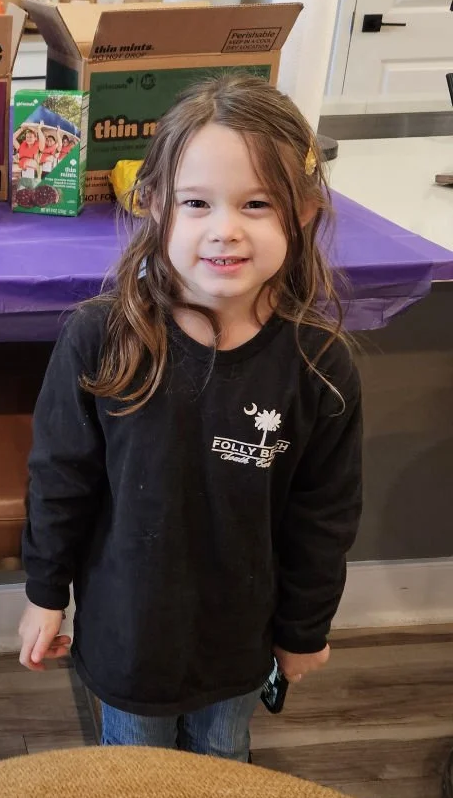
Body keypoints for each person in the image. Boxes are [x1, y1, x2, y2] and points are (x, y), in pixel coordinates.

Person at [18, 76, 362, 763]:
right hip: (128, 638)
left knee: (222, 777)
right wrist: (44, 593)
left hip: (239, 643)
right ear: (151, 205)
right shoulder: (98, 338)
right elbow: (59, 480)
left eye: (257, 204)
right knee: (138, 788)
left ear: (302, 211)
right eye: (196, 203)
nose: (225, 230)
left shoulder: (320, 365)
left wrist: (303, 629)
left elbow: (323, 519)